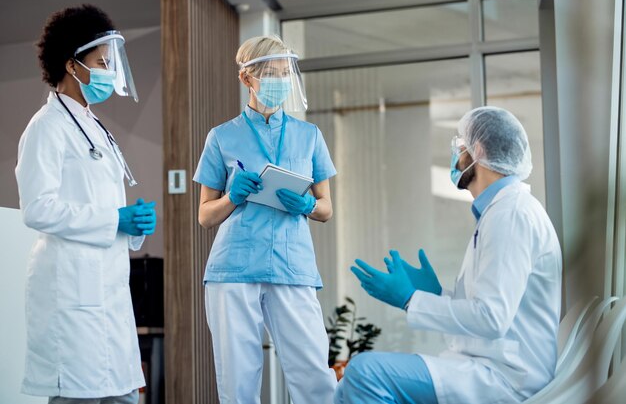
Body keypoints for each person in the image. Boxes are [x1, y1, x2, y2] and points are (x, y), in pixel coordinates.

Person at [339, 107, 562, 404]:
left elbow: (492, 318)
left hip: (506, 379)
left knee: (363, 374)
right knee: (345, 387)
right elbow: (488, 312)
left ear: (478, 150)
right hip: (489, 366)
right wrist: (437, 294)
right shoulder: (499, 212)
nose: (455, 157)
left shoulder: (511, 214)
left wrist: (411, 299)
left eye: (460, 147)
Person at [15, 5, 157, 404]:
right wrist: (114, 219)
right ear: (71, 65)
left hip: (107, 290)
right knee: (80, 395)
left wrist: (132, 226)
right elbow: (38, 209)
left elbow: (103, 207)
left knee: (124, 393)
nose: (109, 72)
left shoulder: (94, 126)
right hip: (70, 294)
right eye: (101, 62)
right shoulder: (46, 127)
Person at [193, 35, 337, 404]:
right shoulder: (221, 137)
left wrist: (305, 206)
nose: (279, 81)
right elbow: (205, 216)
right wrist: (231, 196)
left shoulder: (309, 136)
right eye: (270, 73)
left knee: (315, 377)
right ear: (247, 79)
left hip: (293, 267)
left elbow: (326, 207)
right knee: (238, 382)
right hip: (233, 270)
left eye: (284, 73)